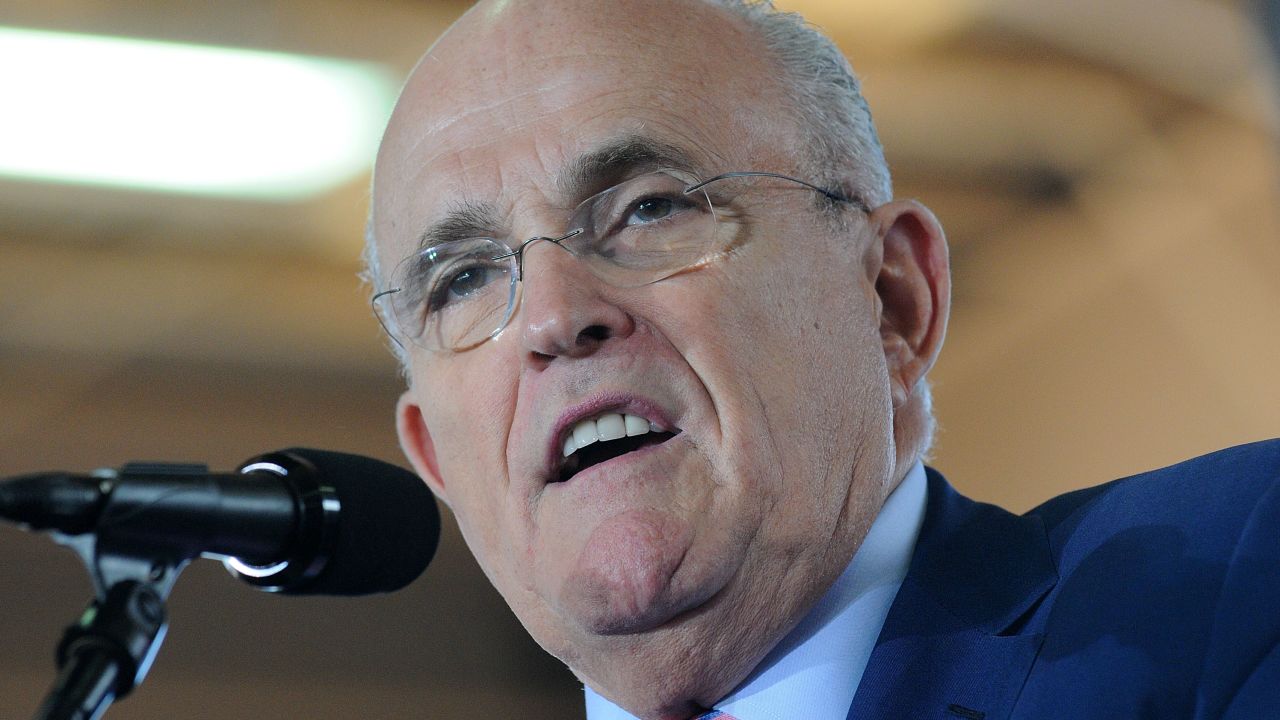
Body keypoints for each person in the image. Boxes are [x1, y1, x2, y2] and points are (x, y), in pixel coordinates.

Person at [363, 1, 1280, 718]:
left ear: (890, 300)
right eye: (463, 280)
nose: (553, 317)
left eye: (649, 209)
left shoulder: (1236, 581)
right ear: (439, 460)